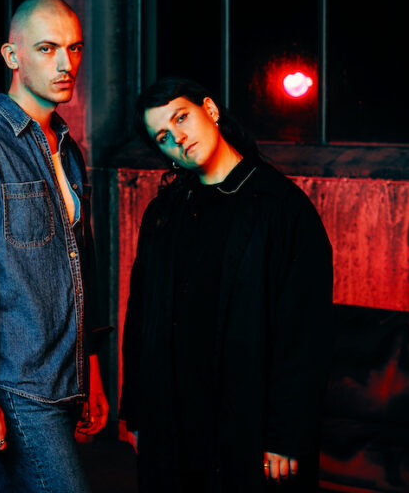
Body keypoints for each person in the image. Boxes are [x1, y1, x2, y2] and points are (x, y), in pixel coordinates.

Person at [0, 0, 109, 493]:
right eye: (47, 49)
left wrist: (91, 368)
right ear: (12, 56)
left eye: (74, 48)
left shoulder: (67, 150)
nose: (65, 64)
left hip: (66, 377)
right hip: (19, 388)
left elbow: (81, 268)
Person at [119, 77, 333, 492]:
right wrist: (139, 414)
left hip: (246, 425)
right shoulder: (163, 213)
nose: (178, 138)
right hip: (173, 422)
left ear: (211, 110)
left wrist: (286, 435)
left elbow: (305, 331)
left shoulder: (281, 207)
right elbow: (140, 319)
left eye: (182, 118)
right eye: (162, 136)